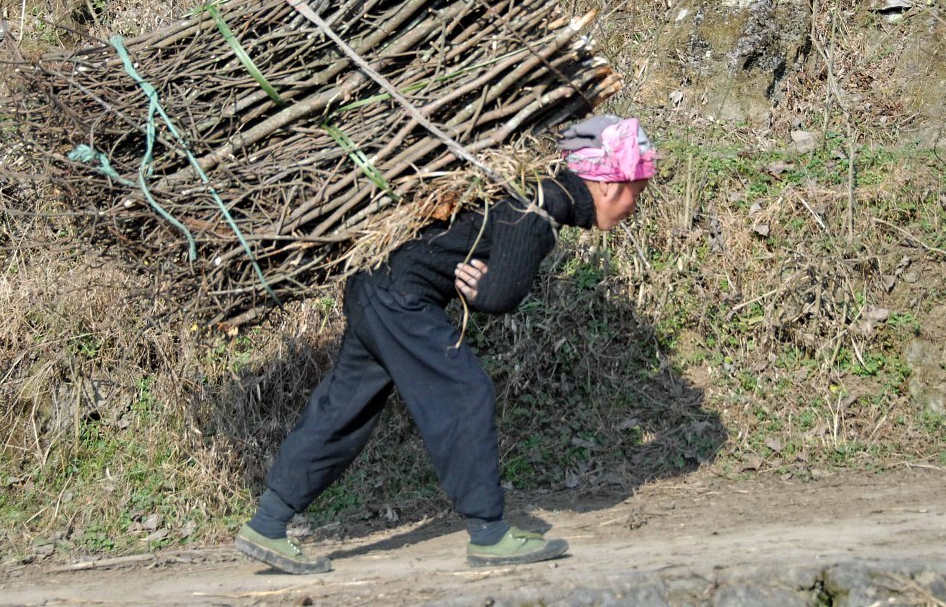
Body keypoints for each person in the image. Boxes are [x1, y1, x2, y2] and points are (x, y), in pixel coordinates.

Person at [234, 114, 657, 574]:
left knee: (346, 406)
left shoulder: (535, 189)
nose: (635, 205)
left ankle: (268, 523)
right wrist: (484, 291)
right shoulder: (542, 205)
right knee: (464, 392)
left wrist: (487, 284)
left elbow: (493, 280)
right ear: (608, 185)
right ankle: (489, 534)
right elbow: (500, 295)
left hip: (374, 282)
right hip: (400, 297)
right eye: (636, 191)